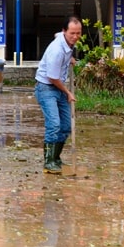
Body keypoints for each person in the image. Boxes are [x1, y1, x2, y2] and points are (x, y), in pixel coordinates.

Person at [35, 16, 83, 174]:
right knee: (54, 124)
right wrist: (68, 92)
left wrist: (70, 58)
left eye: (78, 33)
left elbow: (57, 35)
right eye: (72, 33)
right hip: (47, 87)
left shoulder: (64, 40)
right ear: (65, 31)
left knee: (66, 126)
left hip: (58, 86)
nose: (75, 37)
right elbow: (52, 77)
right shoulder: (57, 50)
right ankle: (48, 162)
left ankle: (56, 157)